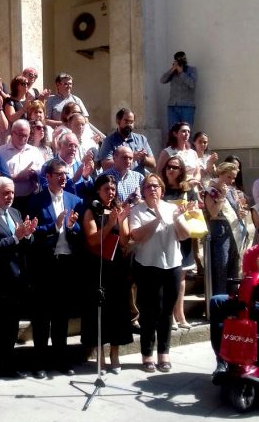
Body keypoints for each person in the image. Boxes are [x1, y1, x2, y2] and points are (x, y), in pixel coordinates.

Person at [209, 216, 259, 386]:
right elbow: (247, 284)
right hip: (254, 301)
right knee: (216, 301)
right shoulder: (251, 253)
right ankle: (222, 361)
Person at [0, 177, 38, 388]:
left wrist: (28, 235)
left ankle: (6, 364)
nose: (10, 196)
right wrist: (17, 237)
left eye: (11, 192)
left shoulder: (15, 213)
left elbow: (24, 244)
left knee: (11, 327)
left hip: (16, 280)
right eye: (5, 193)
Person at [27, 159, 84, 377]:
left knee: (62, 317)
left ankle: (61, 360)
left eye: (65, 173)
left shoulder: (74, 199)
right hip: (44, 265)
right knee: (42, 317)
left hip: (66, 264)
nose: (63, 178)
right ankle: (39, 363)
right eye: (59, 174)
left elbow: (80, 230)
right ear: (48, 176)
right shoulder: (36, 201)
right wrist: (55, 226)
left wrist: (71, 227)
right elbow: (31, 231)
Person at [129, 174, 190, 372]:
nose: (153, 189)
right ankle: (147, 354)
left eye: (156, 186)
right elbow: (136, 235)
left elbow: (184, 235)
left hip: (172, 265)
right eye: (148, 186)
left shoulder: (172, 208)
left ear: (162, 190)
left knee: (166, 312)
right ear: (143, 191)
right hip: (147, 266)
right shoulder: (137, 211)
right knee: (148, 312)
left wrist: (175, 219)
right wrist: (157, 219)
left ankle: (164, 353)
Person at [80, 175, 132, 372]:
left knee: (118, 309)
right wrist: (110, 223)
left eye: (113, 189)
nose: (110, 192)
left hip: (116, 265)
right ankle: (100, 354)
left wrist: (121, 220)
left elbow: (125, 240)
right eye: (106, 189)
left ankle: (115, 354)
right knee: (98, 310)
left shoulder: (117, 210)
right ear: (98, 191)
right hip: (97, 265)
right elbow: (93, 240)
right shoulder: (91, 210)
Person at [161, 155, 199, 329]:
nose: (170, 170)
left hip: (183, 236)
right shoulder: (160, 189)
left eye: (175, 167)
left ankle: (180, 314)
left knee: (181, 278)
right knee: (167, 278)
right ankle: (170, 316)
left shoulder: (188, 190)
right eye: (168, 166)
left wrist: (190, 210)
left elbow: (196, 213)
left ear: (181, 170)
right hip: (165, 236)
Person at [204, 161, 249, 295]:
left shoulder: (232, 190)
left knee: (233, 266)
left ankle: (233, 299)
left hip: (233, 230)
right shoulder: (211, 190)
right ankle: (220, 300)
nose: (231, 180)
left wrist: (240, 213)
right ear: (220, 174)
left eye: (233, 177)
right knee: (221, 266)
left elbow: (236, 210)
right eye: (229, 177)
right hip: (219, 231)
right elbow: (213, 212)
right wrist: (222, 196)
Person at [0, 119, 42, 215]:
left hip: (31, 198)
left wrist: (35, 173)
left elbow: (44, 172)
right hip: (9, 201)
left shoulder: (34, 151)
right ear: (12, 133)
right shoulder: (0, 152)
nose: (24, 138)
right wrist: (17, 176)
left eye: (26, 136)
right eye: (21, 135)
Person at [97, 108, 155, 175]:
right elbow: (106, 166)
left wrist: (143, 158)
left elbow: (153, 163)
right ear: (118, 121)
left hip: (139, 181)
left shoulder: (141, 139)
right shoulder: (109, 141)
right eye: (126, 121)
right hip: (117, 181)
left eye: (131, 122)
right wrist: (132, 158)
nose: (129, 125)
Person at [160, 51, 198, 129]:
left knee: (187, 130)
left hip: (187, 106)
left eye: (184, 58)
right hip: (172, 106)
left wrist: (181, 72)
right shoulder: (173, 71)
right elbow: (162, 80)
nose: (182, 60)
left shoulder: (192, 70)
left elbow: (192, 84)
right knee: (173, 131)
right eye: (179, 59)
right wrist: (173, 69)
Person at [157, 122, 201, 188]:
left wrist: (194, 181)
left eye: (188, 132)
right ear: (175, 134)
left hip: (191, 187)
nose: (187, 134)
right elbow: (159, 172)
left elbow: (198, 172)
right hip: (174, 187)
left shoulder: (193, 153)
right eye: (183, 131)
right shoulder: (167, 152)